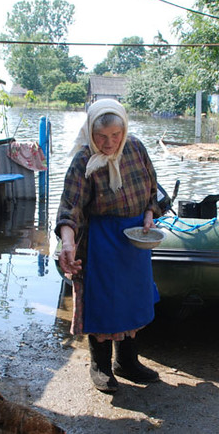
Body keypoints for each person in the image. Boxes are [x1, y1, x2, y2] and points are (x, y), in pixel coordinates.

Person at [56, 98, 161, 393]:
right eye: (101, 136)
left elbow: (152, 189)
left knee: (131, 300)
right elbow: (70, 208)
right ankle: (100, 366)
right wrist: (67, 242)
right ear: (90, 131)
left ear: (125, 130)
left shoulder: (136, 148)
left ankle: (127, 363)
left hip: (134, 241)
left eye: (116, 135)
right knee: (101, 303)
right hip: (100, 242)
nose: (109, 143)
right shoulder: (82, 162)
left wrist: (150, 215)